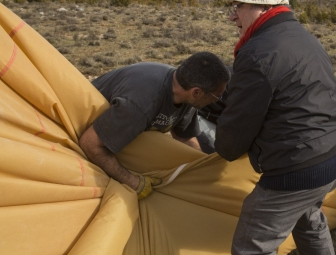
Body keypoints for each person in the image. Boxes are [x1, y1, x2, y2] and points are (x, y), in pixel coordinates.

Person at [215, 0, 336, 255]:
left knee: (251, 250)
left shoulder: (258, 52)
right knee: (308, 216)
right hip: (335, 153)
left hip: (297, 168)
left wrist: (217, 139)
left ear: (259, 7)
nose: (233, 15)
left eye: (238, 6)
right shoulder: (301, 35)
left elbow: (232, 140)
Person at [79, 51, 230, 199]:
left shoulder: (185, 94)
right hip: (82, 143)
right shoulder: (141, 103)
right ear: (196, 92)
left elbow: (184, 137)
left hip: (115, 136)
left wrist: (204, 167)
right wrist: (133, 182)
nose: (218, 100)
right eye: (217, 96)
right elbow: (90, 144)